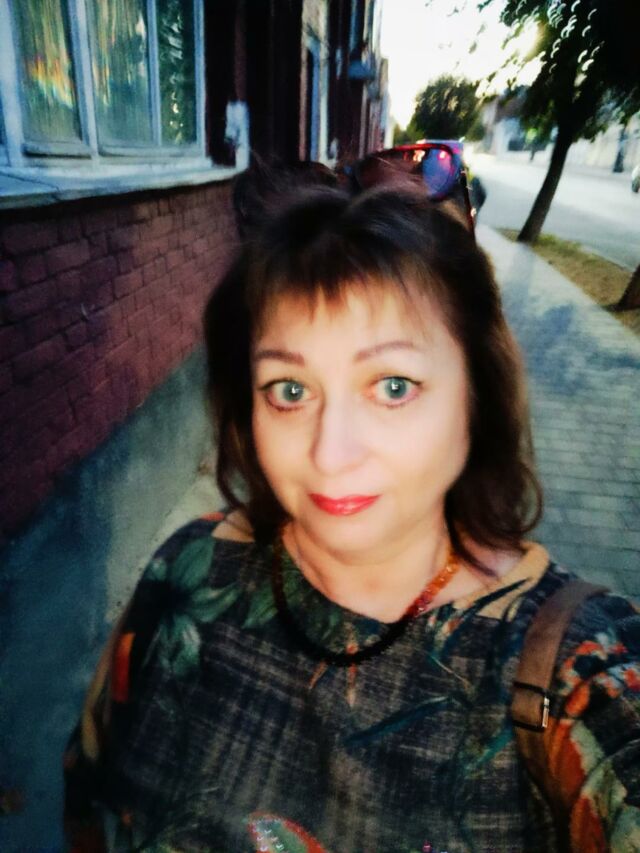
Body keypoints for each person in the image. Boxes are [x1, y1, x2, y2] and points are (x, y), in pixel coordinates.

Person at [64, 173, 640, 853]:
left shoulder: (575, 674)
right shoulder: (188, 568)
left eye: (393, 386)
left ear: (476, 395)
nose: (331, 454)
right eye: (289, 390)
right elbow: (89, 796)